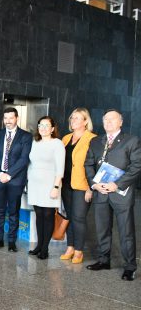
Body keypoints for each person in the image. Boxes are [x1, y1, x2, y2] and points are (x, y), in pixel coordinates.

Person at [85, 109, 141, 281]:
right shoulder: (95, 141)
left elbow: (137, 166)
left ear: (120, 122)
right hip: (101, 192)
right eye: (105, 120)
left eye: (112, 119)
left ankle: (130, 266)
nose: (108, 122)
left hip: (120, 193)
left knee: (126, 232)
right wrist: (94, 184)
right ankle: (104, 260)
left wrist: (117, 184)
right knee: (102, 229)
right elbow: (88, 164)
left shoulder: (131, 140)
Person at [0, 107, 32, 253]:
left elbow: (24, 159)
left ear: (17, 118)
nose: (8, 121)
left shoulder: (26, 136)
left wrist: (9, 174)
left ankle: (12, 241)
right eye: (5, 118)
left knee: (13, 212)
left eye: (11, 118)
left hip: (15, 180)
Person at [58, 108, 97, 264]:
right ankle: (70, 247)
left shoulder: (92, 139)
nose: (73, 120)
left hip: (82, 185)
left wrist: (90, 187)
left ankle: (79, 251)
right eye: (72, 118)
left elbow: (95, 165)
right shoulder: (66, 138)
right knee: (69, 216)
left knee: (79, 218)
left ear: (86, 121)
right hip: (66, 184)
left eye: (77, 118)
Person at [27, 116, 65, 260]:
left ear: (52, 128)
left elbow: (60, 168)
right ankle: (38, 246)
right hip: (35, 185)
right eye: (40, 125)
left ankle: (45, 249)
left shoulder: (57, 144)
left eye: (46, 125)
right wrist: (28, 180)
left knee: (48, 216)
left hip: (50, 185)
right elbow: (31, 164)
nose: (43, 128)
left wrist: (56, 186)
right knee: (39, 215)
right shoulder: (35, 143)